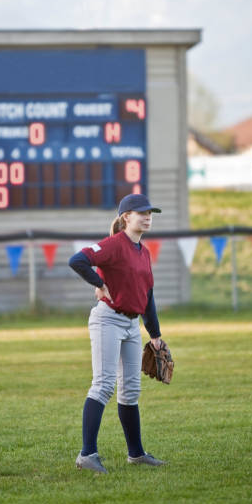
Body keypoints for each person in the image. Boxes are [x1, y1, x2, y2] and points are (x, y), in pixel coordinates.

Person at [69, 193, 167, 474]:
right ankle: (87, 455)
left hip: (131, 325)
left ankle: (136, 454)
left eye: (150, 213)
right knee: (103, 384)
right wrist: (98, 282)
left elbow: (147, 295)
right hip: (107, 320)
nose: (148, 217)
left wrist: (155, 334)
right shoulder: (113, 245)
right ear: (126, 217)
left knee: (131, 390)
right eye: (142, 213)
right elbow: (77, 260)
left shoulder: (144, 252)